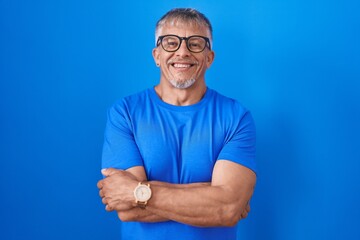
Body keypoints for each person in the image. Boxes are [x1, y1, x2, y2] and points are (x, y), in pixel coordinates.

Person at [97, 8, 257, 240]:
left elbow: (228, 208)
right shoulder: (125, 113)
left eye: (195, 44)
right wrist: (212, 196)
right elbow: (126, 209)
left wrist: (138, 192)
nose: (182, 52)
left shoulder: (236, 116)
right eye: (171, 43)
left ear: (209, 58)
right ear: (156, 55)